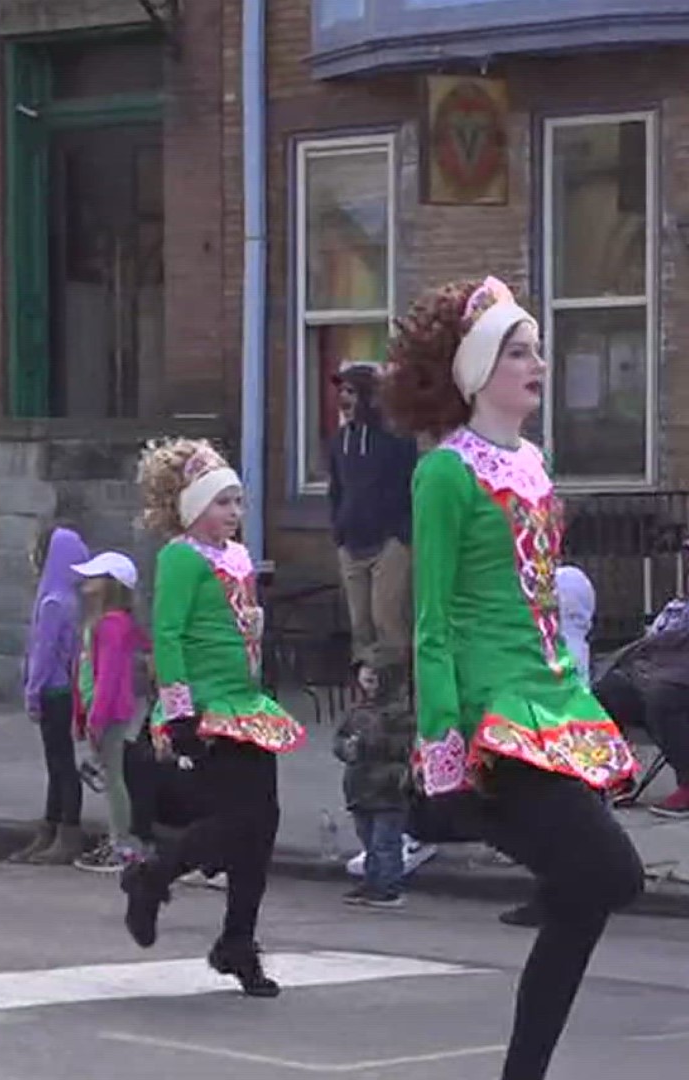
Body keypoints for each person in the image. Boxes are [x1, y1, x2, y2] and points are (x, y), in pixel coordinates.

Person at [385, 275, 642, 1080]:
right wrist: (443, 754)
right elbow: (432, 623)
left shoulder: (533, 460)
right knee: (611, 875)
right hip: (493, 710)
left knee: (588, 893)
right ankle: (441, 812)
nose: (538, 362)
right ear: (475, 370)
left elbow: (537, 590)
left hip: (551, 693)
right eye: (518, 351)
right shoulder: (445, 474)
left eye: (537, 348)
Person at [120, 438, 303, 998]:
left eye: (238, 502)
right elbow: (168, 634)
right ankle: (153, 877)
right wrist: (177, 714)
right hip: (205, 706)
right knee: (236, 822)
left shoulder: (237, 557)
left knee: (261, 826)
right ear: (194, 508)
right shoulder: (181, 557)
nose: (234, 513)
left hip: (246, 704)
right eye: (222, 503)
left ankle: (237, 942)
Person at [326, 362, 418, 676]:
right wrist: (338, 532)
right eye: (341, 391)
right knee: (360, 623)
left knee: (387, 618)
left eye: (350, 391)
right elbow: (335, 489)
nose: (343, 398)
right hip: (351, 545)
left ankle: (394, 690)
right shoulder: (339, 442)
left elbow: (412, 489)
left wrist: (401, 536)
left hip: (389, 544)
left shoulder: (397, 441)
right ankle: (368, 691)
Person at [11, 525, 90, 864]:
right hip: (65, 689)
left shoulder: (53, 602)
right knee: (59, 762)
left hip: (52, 691)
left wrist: (31, 692)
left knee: (60, 764)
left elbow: (43, 653)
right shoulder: (72, 598)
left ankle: (66, 830)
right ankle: (51, 827)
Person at [68, 551, 150, 874]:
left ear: (110, 585)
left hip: (109, 712)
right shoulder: (107, 622)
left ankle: (122, 843)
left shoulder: (112, 626)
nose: (87, 581)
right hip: (101, 709)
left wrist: (96, 719)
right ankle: (119, 838)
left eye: (95, 576)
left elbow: (109, 677)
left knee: (113, 777)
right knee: (109, 774)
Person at [593, 596, 689, 817]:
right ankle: (619, 771)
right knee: (608, 691)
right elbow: (650, 646)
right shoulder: (676, 609)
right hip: (659, 677)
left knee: (663, 696)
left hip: (677, 687)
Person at [333, 658, 415, 909]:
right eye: (365, 678)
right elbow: (340, 738)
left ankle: (389, 886)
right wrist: (346, 748)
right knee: (368, 839)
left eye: (373, 679)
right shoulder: (357, 711)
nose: (368, 685)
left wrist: (370, 743)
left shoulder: (400, 713)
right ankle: (372, 880)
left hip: (388, 786)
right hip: (360, 784)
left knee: (385, 841)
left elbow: (405, 746)